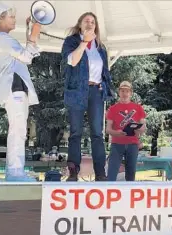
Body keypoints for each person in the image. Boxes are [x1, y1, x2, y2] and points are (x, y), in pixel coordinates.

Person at [61, 12, 114, 181]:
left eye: (93, 21)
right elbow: (72, 61)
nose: (90, 24)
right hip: (77, 90)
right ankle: (73, 171)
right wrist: (84, 42)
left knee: (97, 133)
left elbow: (105, 72)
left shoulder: (101, 48)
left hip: (95, 91)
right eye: (86, 21)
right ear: (80, 24)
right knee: (75, 132)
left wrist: (104, 86)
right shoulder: (71, 42)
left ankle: (100, 173)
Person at [0, 2, 41, 181]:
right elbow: (27, 56)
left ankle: (14, 171)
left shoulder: (3, 38)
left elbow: (26, 53)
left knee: (18, 130)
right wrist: (34, 34)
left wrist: (31, 32)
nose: (14, 20)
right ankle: (14, 172)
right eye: (11, 17)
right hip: (15, 87)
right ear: (1, 19)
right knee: (18, 130)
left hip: (16, 88)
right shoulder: (2, 38)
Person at [106, 81, 147, 181]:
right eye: (122, 91)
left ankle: (129, 194)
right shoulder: (112, 109)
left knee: (131, 174)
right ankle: (109, 193)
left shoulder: (138, 108)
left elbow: (143, 127)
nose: (125, 93)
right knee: (111, 173)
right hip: (117, 144)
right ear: (119, 92)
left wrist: (139, 130)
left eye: (127, 91)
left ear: (131, 93)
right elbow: (108, 129)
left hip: (132, 144)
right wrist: (117, 133)